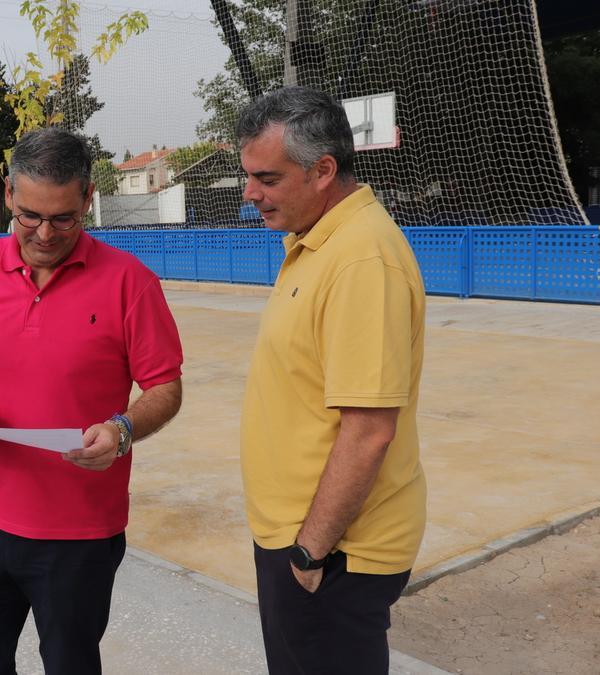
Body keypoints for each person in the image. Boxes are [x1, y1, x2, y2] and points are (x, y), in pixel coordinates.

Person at [0, 127, 184, 674]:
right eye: (30, 216)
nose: (44, 233)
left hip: (80, 537)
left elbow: (164, 387)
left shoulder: (129, 283)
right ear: (9, 194)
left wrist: (122, 429)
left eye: (64, 217)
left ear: (88, 197)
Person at [236, 86, 428, 674]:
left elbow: (369, 430)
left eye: (267, 178)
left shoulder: (362, 260)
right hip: (305, 539)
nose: (251, 194)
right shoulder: (317, 243)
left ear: (323, 170)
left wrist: (309, 550)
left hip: (333, 551)